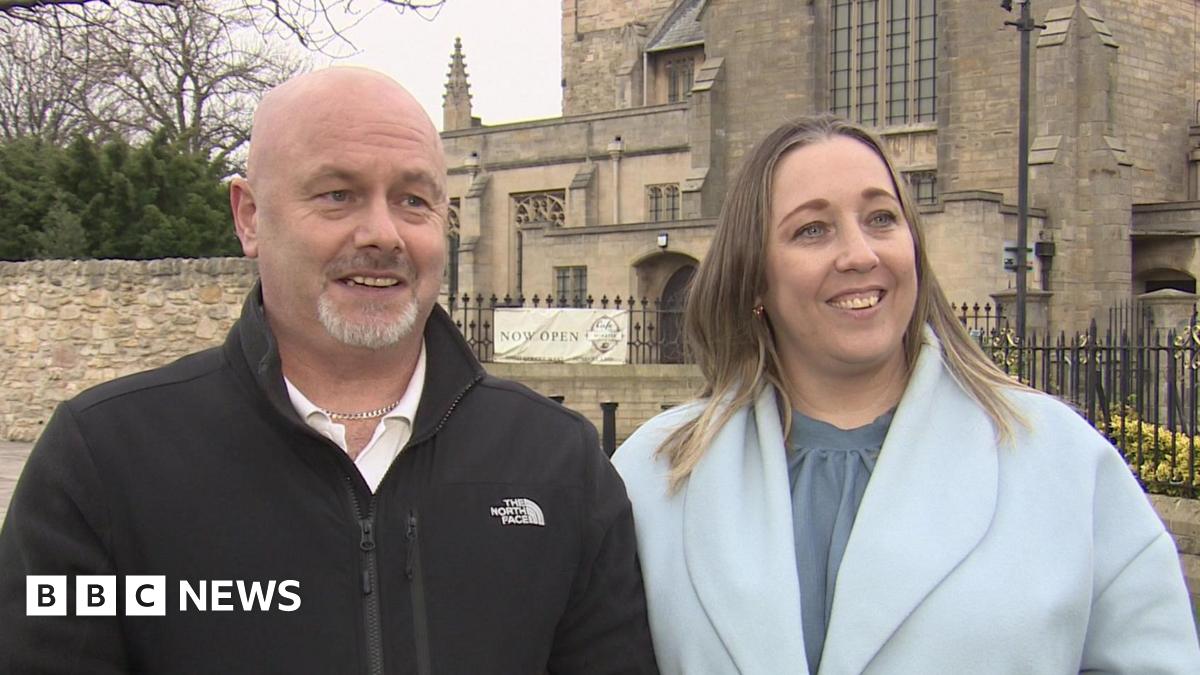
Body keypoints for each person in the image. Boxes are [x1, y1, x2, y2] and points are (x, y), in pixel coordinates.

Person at [0, 68, 658, 674]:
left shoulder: (557, 463)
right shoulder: (104, 462)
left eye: (413, 201)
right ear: (250, 216)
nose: (383, 233)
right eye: (338, 194)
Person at [613, 115, 1199, 674]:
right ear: (754, 277)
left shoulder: (1061, 458)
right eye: (812, 229)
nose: (860, 254)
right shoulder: (654, 474)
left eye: (881, 219)